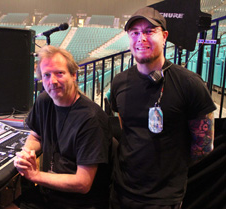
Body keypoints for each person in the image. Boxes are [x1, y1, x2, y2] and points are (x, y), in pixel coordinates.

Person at [110, 6, 216, 209]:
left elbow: (204, 146)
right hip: (121, 192)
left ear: (165, 36)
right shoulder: (119, 82)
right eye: (135, 33)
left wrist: (170, 168)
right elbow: (126, 129)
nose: (141, 38)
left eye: (149, 31)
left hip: (163, 199)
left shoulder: (190, 83)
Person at [12, 45, 112, 209]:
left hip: (78, 203)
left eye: (60, 73)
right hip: (49, 194)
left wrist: (35, 175)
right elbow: (36, 135)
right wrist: (27, 153)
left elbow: (83, 183)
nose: (53, 81)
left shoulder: (90, 118)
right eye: (46, 75)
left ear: (73, 75)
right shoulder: (44, 100)